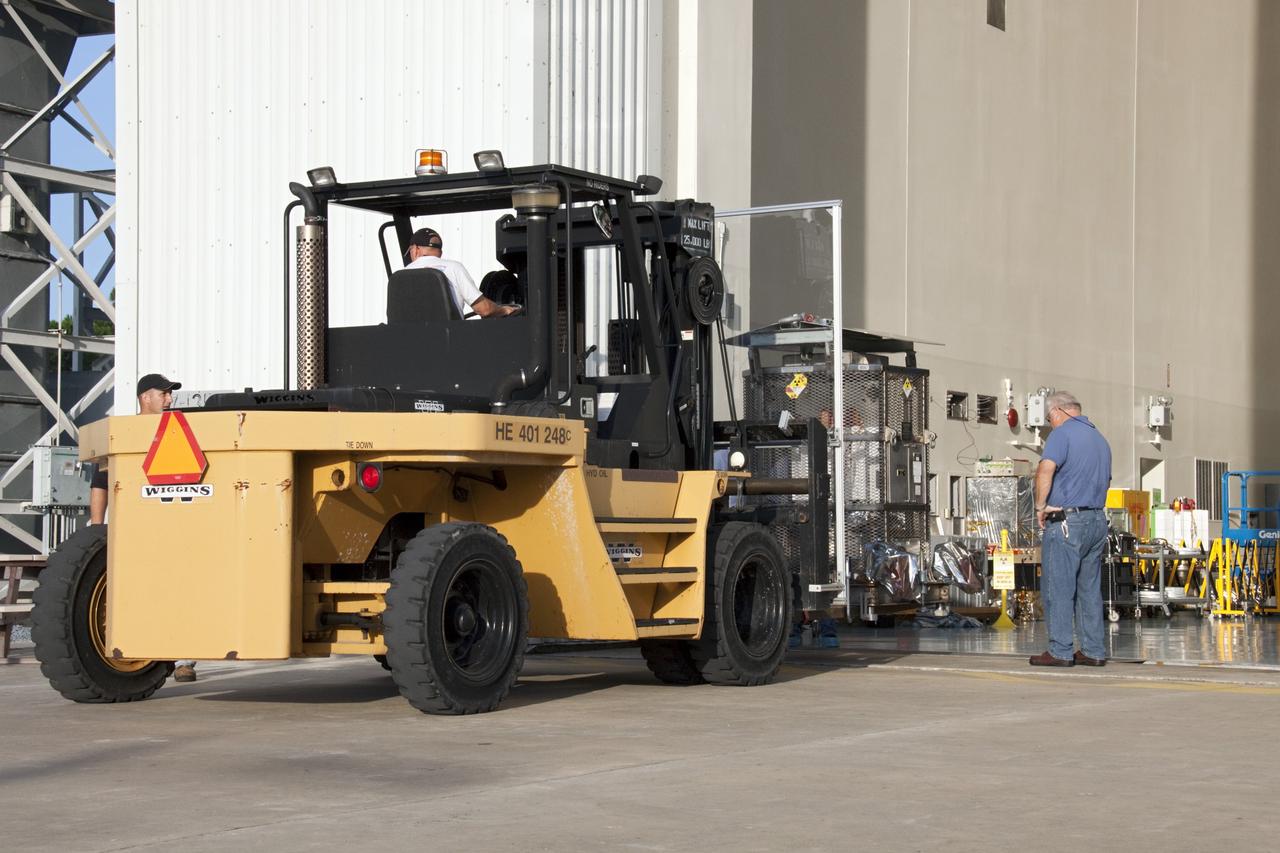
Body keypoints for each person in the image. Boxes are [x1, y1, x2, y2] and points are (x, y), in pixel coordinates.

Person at [88, 373, 199, 684]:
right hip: (131, 531)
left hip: (171, 526)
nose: (169, 399)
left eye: (169, 394)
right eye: (163, 394)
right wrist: (98, 529)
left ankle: (184, 660)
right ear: (144, 398)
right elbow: (100, 484)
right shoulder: (123, 433)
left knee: (179, 589)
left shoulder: (178, 430)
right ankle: (131, 651)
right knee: (133, 593)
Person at [1030, 391, 1112, 668]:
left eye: (1049, 419)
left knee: (1057, 587)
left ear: (1058, 413)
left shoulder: (1062, 433)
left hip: (1067, 521)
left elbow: (1045, 470)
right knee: (1089, 589)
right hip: (1098, 520)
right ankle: (1093, 649)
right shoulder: (1100, 440)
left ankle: (1060, 650)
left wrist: (1041, 506)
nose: (1050, 425)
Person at [403, 227, 517, 318]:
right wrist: (504, 310)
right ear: (440, 253)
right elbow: (484, 309)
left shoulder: (401, 274)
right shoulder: (453, 268)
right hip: (447, 340)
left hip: (407, 342)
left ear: (415, 249)